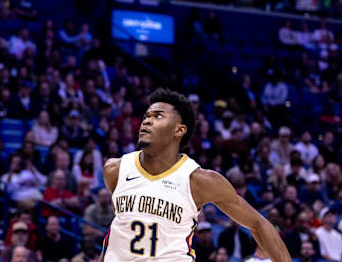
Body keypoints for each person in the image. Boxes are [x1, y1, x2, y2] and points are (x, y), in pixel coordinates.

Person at [100, 88, 291, 262]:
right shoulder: (115, 170)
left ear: (179, 130)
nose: (147, 120)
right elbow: (116, 235)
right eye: (146, 116)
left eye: (158, 116)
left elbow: (258, 223)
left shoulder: (198, 179)